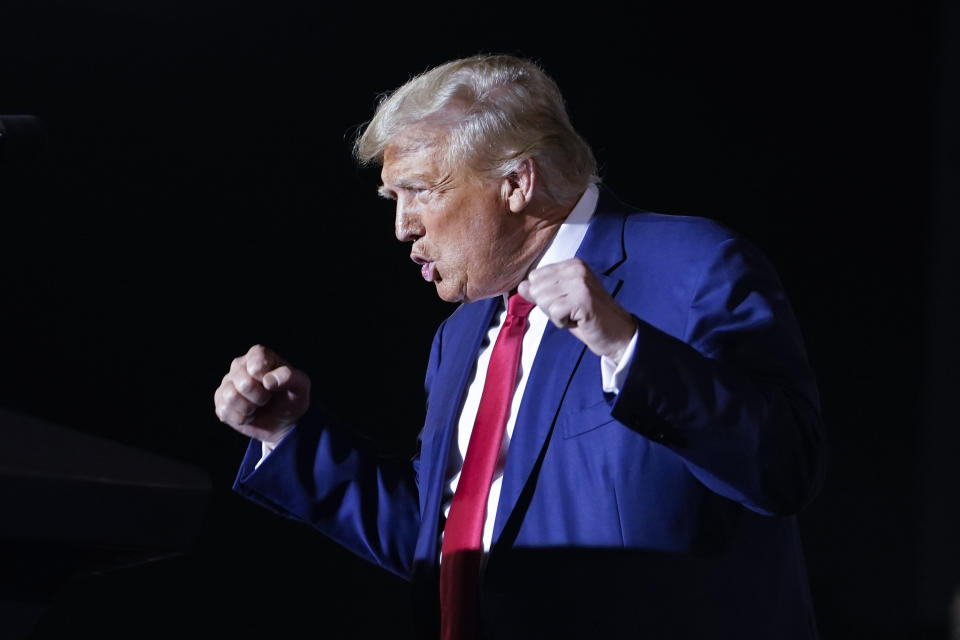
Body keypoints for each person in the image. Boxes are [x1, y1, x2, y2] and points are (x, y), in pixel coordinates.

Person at [214, 54, 825, 639]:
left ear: (516, 182)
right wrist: (288, 434)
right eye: (392, 199)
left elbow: (784, 469)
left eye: (421, 190)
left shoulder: (691, 266)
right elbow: (451, 544)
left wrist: (627, 346)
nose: (402, 227)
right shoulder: (460, 333)